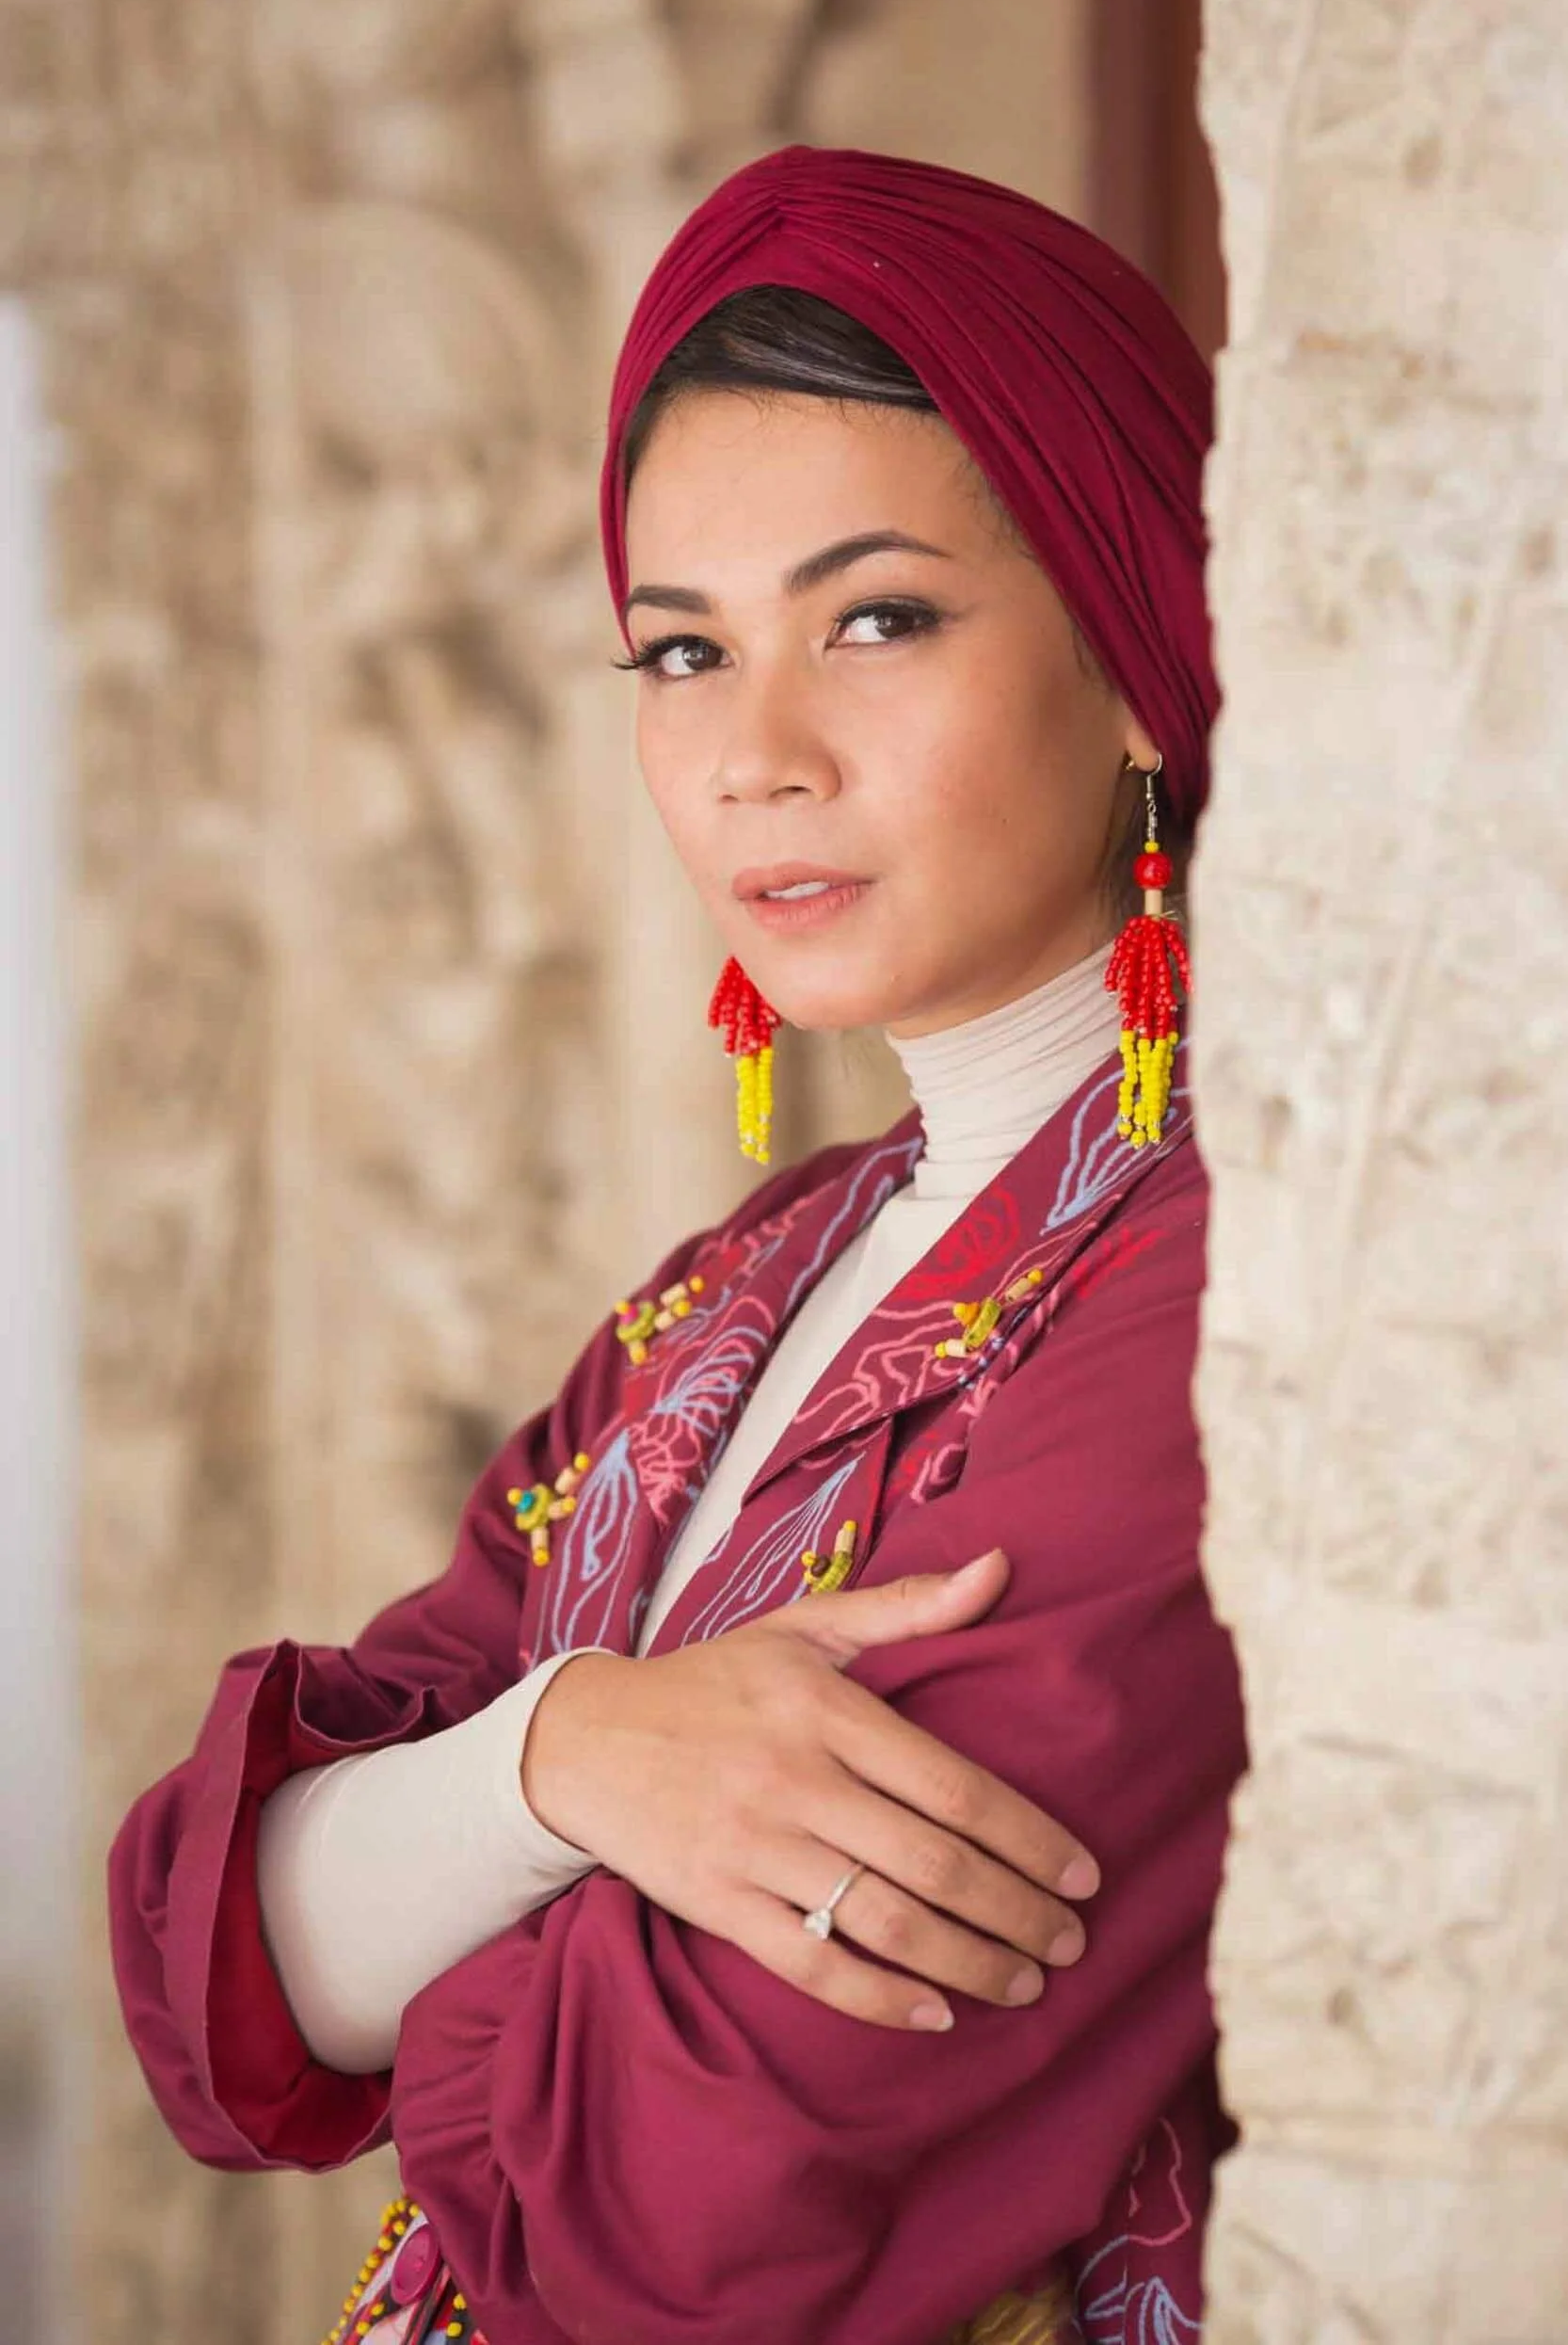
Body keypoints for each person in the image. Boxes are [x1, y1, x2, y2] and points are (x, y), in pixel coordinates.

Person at [109, 146, 1244, 2345]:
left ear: (1134, 647)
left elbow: (690, 2189)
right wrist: (566, 1753)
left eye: (876, 618)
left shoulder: (1217, 1292)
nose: (753, 757)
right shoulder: (734, 1290)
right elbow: (215, 1964)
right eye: (679, 650)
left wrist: (444, 1869)